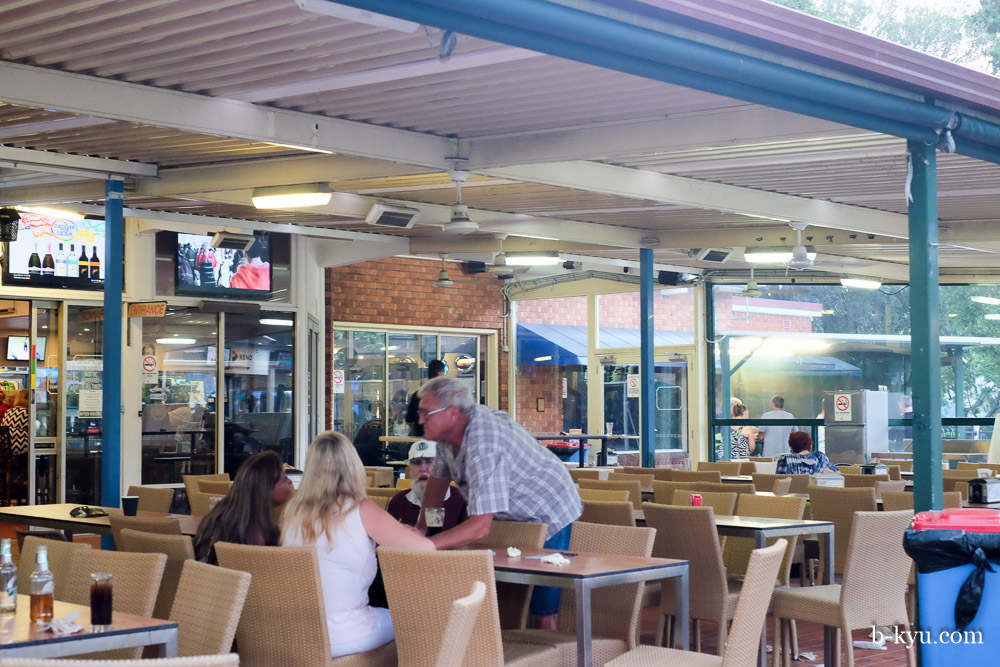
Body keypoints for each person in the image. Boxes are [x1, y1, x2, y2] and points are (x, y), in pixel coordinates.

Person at [415, 376, 582, 630]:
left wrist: (426, 545)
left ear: (451, 413)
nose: (420, 420)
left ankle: (548, 655)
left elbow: (480, 526)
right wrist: (422, 529)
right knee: (505, 598)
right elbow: (437, 486)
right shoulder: (449, 437)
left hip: (549, 509)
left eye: (426, 413)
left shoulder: (484, 443)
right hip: (514, 516)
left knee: (542, 607)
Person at [282, 431, 434, 659]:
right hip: (343, 634)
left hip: (296, 634)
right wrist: (397, 533)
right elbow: (426, 549)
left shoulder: (292, 512)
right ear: (353, 465)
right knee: (418, 620)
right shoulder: (360, 509)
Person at [193, 450, 294, 565]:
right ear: (266, 486)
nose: (290, 482)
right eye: (285, 478)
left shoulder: (218, 517)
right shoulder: (256, 533)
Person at [387, 440, 467, 530]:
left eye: (430, 462)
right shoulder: (399, 501)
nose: (423, 469)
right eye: (417, 463)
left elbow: (470, 539)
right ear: (409, 469)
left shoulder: (461, 501)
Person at [1, 389, 29, 503]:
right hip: (19, 450)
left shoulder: (9, 412)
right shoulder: (27, 413)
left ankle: (16, 483)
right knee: (34, 459)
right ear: (26, 400)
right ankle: (21, 481)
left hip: (5, 452)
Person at [405, 359, 446, 437]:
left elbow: (409, 421)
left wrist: (418, 431)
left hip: (419, 440)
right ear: (440, 373)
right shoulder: (444, 395)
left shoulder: (417, 394)